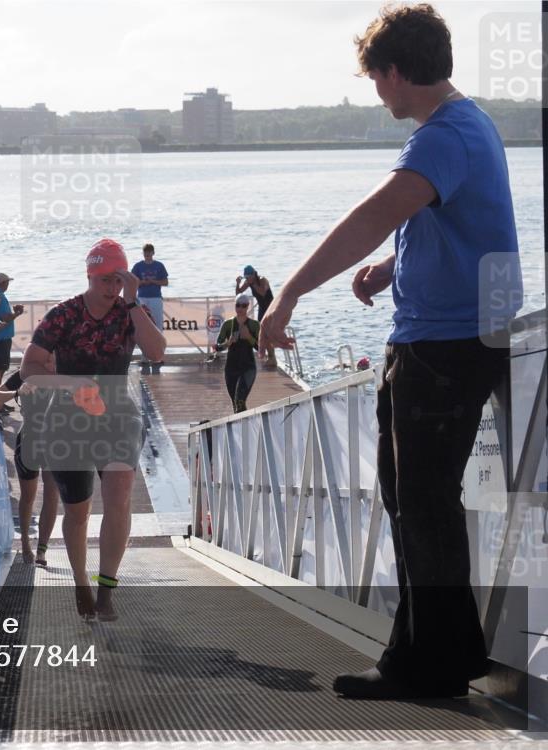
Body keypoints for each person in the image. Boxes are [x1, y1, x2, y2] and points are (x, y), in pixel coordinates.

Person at [259, 4, 521, 700]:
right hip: (452, 337)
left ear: (396, 72)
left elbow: (373, 217)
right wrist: (389, 271)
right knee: (415, 500)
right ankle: (437, 650)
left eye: (375, 77)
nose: (376, 92)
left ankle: (427, 665)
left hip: (443, 348)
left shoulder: (443, 137)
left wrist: (286, 297)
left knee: (423, 505)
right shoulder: (472, 126)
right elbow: (437, 225)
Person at [20, 239, 166, 620]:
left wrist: (134, 301)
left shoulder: (130, 312)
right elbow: (29, 368)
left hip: (117, 412)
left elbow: (157, 352)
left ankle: (107, 589)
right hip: (68, 416)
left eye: (118, 279)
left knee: (119, 492)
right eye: (104, 279)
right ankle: (80, 580)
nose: (111, 287)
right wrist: (69, 383)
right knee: (79, 511)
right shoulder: (63, 315)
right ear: (89, 275)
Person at [1, 366, 60, 566]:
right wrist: (16, 392)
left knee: (52, 495)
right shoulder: (24, 373)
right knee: (28, 496)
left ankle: (42, 549)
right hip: (29, 440)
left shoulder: (63, 370)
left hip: (55, 441)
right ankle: (26, 544)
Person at [215, 294, 260, 413]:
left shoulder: (254, 325)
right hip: (231, 368)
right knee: (235, 404)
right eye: (238, 305)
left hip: (248, 367)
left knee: (239, 400)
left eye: (243, 306)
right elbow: (217, 347)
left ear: (248, 307)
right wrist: (228, 343)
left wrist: (249, 337)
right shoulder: (228, 324)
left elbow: (260, 347)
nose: (240, 308)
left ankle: (245, 427)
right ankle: (243, 428)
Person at [131, 243, 169, 366]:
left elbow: (165, 282)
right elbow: (132, 282)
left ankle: (159, 355)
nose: (147, 256)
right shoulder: (138, 266)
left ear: (153, 253)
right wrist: (142, 282)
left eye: (149, 253)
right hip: (142, 298)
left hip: (155, 298)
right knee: (143, 327)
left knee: (158, 326)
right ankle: (145, 357)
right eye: (145, 254)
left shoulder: (159, 265)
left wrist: (153, 281)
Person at [0, 272, 25, 388]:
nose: (8, 285)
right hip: (2, 338)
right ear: (3, 283)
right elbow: (6, 318)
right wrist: (17, 313)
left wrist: (12, 313)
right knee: (0, 369)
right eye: (7, 282)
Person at [236, 265, 276, 368]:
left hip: (270, 307)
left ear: (254, 274)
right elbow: (238, 293)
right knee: (262, 334)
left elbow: (262, 293)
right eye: (246, 277)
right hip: (262, 309)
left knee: (267, 333)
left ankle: (272, 358)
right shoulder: (249, 282)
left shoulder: (262, 280)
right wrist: (237, 284)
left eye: (249, 276)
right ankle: (271, 356)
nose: (247, 279)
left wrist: (252, 284)